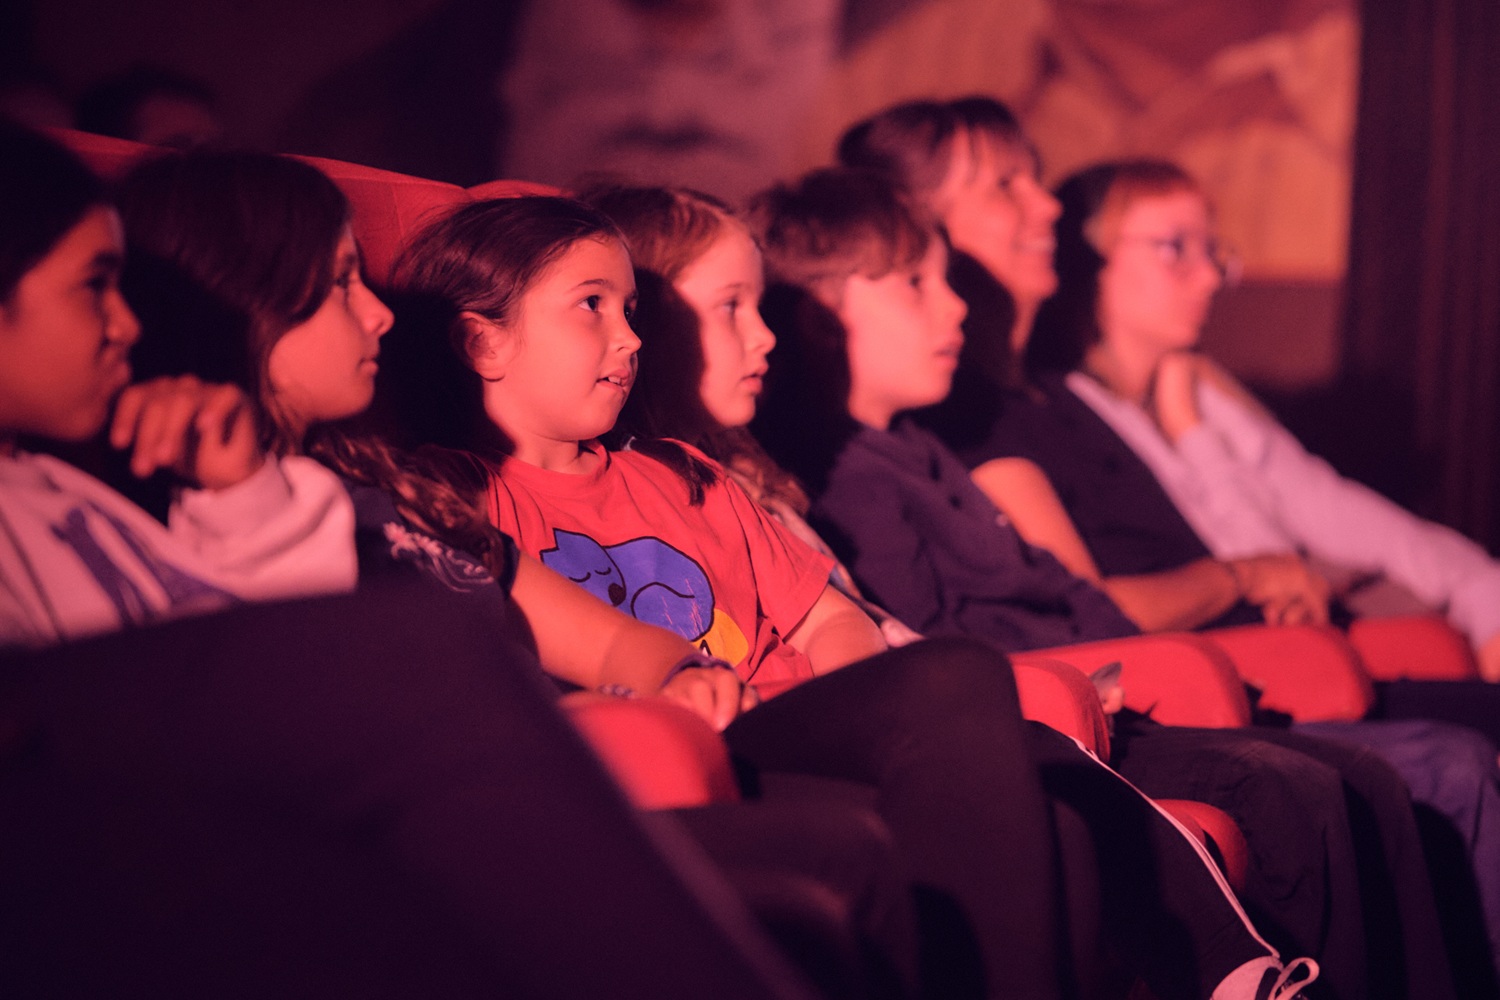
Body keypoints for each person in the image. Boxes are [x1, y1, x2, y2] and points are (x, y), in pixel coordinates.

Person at [388, 188, 1329, 1000]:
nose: (630, 338)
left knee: (1050, 806)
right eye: (591, 307)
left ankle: (1228, 967)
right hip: (690, 741)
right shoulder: (451, 500)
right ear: (481, 340)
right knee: (960, 684)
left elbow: (831, 616)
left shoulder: (682, 473)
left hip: (802, 721)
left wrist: (857, 705)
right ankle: (1228, 968)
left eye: (632, 309)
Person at [0, 121, 827, 1000]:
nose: (382, 313)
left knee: (840, 850)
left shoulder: (382, 497)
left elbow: (601, 638)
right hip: (387, 838)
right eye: (339, 284)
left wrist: (678, 672)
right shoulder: (152, 500)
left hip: (499, 786)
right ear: (243, 303)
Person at [749, 164, 1463, 1000]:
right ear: (821, 318)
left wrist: (1129, 661)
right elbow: (936, 647)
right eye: (917, 285)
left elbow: (1069, 594)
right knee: (1291, 791)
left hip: (1110, 689)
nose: (955, 307)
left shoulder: (919, 447)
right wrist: (1093, 673)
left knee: (1359, 778)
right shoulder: (844, 475)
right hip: (1050, 716)